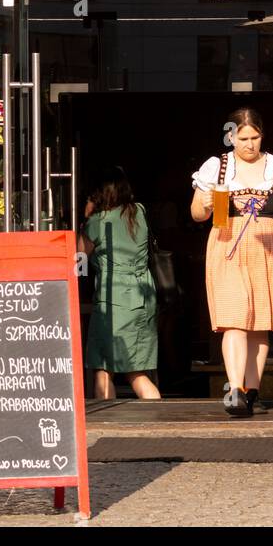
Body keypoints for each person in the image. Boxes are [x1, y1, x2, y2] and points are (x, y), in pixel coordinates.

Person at [191, 107, 273, 418]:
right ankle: (234, 388)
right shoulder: (216, 167)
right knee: (234, 318)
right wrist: (203, 205)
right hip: (226, 241)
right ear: (231, 136)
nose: (249, 144)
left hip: (268, 245)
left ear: (262, 135)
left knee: (260, 323)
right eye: (242, 138)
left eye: (255, 137)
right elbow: (197, 214)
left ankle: (251, 389)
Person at [80, 168, 161, 400]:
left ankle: (109, 421)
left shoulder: (98, 221)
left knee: (104, 370)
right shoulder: (139, 212)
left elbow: (78, 261)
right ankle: (159, 420)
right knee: (137, 371)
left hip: (113, 299)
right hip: (143, 296)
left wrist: (86, 218)